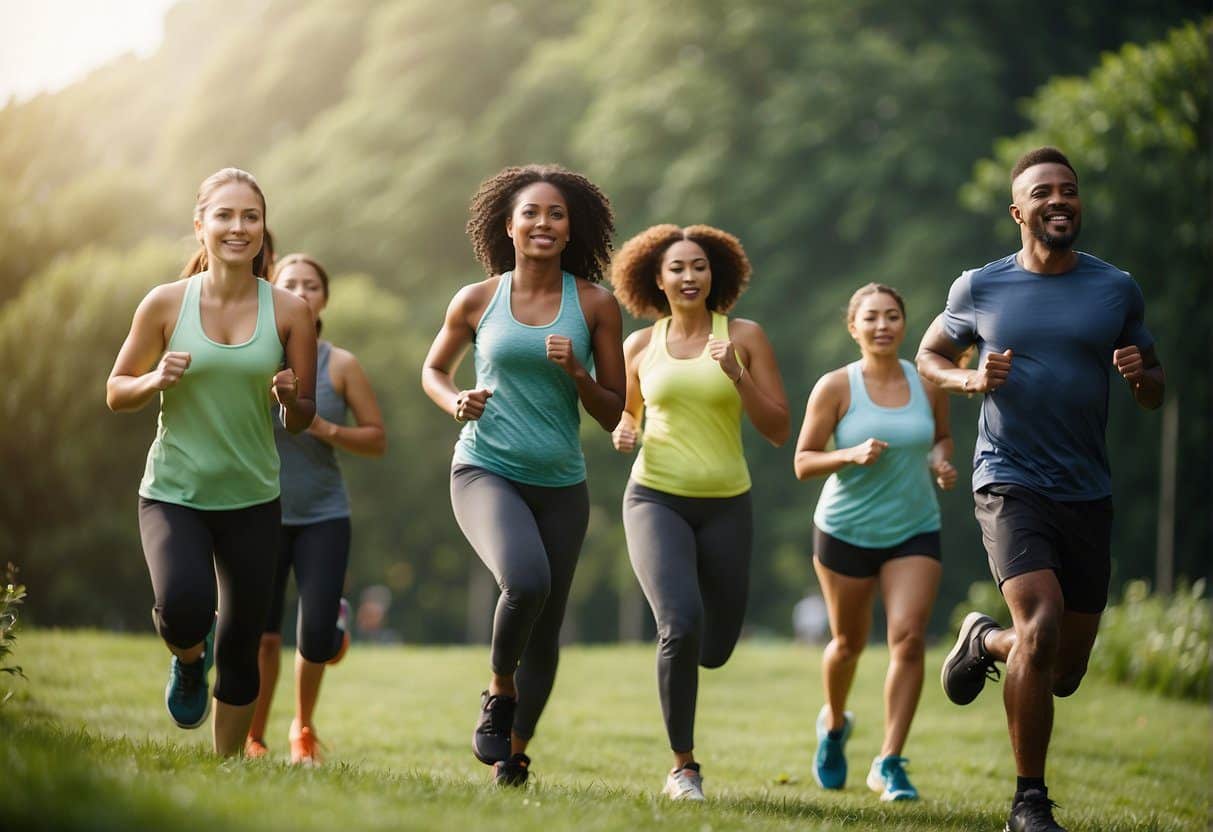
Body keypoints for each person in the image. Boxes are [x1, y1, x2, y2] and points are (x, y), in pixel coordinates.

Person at [916, 146, 1165, 832]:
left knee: (1061, 669)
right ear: (1017, 210)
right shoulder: (979, 287)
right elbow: (929, 354)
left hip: (1086, 489)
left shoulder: (1115, 289)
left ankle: (982, 640)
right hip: (1008, 479)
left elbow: (1152, 391)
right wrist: (969, 380)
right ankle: (1028, 804)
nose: (1059, 201)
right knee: (1042, 624)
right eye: (1043, 192)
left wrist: (1139, 374)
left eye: (1069, 191)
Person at [421, 164, 625, 786]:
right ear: (507, 226)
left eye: (556, 214)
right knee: (526, 580)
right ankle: (498, 691)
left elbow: (615, 408)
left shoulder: (594, 305)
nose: (543, 223)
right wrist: (454, 399)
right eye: (530, 213)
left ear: (571, 231)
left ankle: (514, 753)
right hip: (486, 468)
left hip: (562, 483)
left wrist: (579, 375)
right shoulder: (478, 299)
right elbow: (433, 370)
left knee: (545, 629)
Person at [106, 168, 317, 756]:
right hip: (174, 491)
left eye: (250, 216)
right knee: (182, 609)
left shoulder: (290, 311)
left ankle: (226, 771)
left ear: (262, 228)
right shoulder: (166, 304)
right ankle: (187, 662)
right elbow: (115, 390)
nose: (237, 227)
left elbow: (303, 416)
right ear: (200, 226)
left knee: (243, 642)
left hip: (252, 497)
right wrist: (153, 378)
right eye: (224, 216)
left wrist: (288, 398)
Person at [609, 224, 789, 800]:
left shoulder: (746, 336)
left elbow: (779, 429)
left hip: (727, 503)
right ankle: (684, 767)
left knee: (715, 646)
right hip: (655, 496)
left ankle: (700, 655)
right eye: (677, 268)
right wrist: (626, 428)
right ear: (655, 280)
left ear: (717, 276)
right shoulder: (640, 346)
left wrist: (737, 372)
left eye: (699, 267)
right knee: (679, 626)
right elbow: (629, 413)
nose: (689, 277)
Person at [793, 283, 956, 801]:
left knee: (907, 638)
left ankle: (889, 761)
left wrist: (942, 463)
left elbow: (941, 438)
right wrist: (849, 455)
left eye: (892, 316)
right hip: (846, 531)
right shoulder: (836, 387)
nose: (882, 326)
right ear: (854, 328)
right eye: (871, 318)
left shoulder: (927, 381)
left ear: (904, 324)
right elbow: (803, 461)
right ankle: (835, 726)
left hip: (914, 527)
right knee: (848, 644)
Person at [244, 253, 387, 765]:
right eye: (290, 283)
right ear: (271, 291)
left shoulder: (339, 364)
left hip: (323, 513)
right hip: (258, 509)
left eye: (311, 284)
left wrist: (326, 428)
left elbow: (376, 439)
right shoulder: (251, 354)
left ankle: (302, 731)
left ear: (324, 297)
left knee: (316, 638)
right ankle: (253, 736)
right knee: (262, 637)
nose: (301, 291)